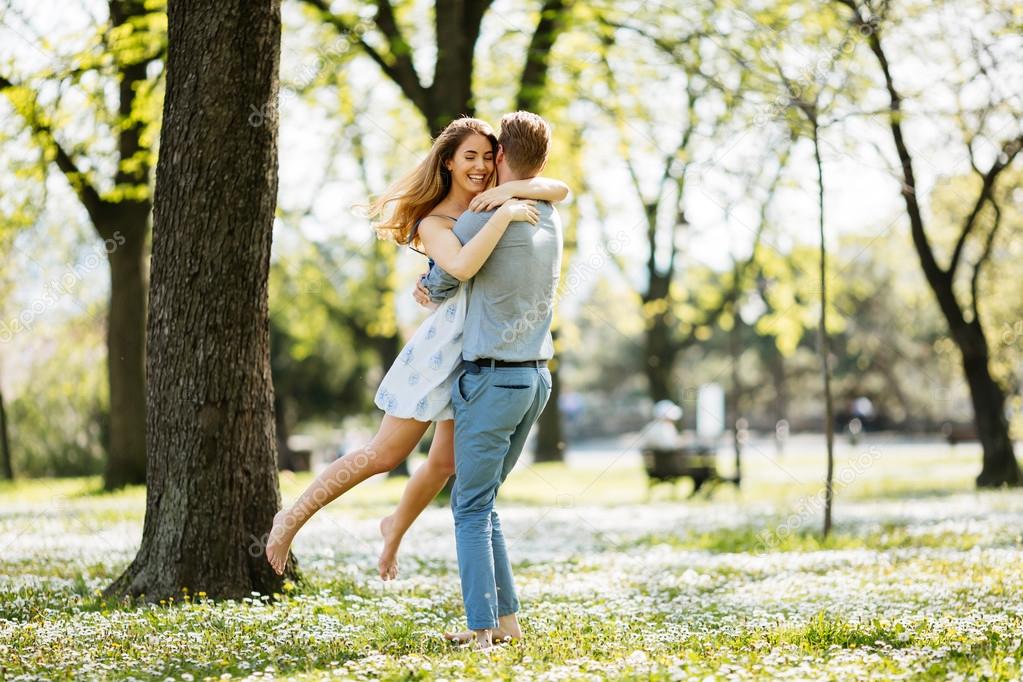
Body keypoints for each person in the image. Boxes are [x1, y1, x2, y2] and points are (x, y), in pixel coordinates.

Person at [263, 116, 568, 577]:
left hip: (479, 355)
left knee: (444, 462)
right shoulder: (437, 221)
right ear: (447, 162)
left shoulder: (505, 198)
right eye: (470, 157)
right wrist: (501, 213)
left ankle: (393, 529)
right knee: (384, 455)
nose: (482, 167)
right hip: (443, 351)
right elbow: (459, 268)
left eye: (488, 157)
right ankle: (291, 517)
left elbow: (559, 187)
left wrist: (506, 195)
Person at [415, 111, 562, 649]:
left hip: (491, 381)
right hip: (534, 381)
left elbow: (442, 285)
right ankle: (507, 624)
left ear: (500, 158)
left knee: (470, 508)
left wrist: (427, 282)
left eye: (488, 155)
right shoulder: (549, 213)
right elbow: (556, 188)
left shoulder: (482, 218)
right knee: (485, 502)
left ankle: (481, 631)